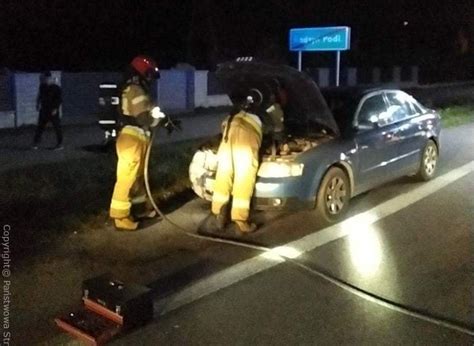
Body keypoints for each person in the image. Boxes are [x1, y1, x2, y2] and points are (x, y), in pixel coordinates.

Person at [109, 55, 168, 231]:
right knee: (127, 178)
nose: (150, 78)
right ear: (142, 72)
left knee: (138, 177)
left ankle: (140, 208)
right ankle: (120, 217)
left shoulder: (136, 89)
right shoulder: (135, 89)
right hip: (132, 138)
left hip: (137, 138)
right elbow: (143, 118)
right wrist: (159, 121)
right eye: (149, 74)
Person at [209, 88, 264, 234]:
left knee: (223, 175)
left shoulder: (236, 110)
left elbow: (223, 126)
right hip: (246, 142)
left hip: (228, 136)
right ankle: (240, 220)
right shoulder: (266, 111)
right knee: (244, 178)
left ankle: (219, 213)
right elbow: (277, 131)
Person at [32, 72, 63, 150]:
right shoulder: (42, 86)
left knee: (57, 127)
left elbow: (59, 99)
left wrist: (55, 109)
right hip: (44, 110)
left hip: (52, 110)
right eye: (42, 79)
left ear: (49, 78)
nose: (43, 80)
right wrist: (37, 103)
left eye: (45, 79)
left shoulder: (56, 88)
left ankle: (60, 144)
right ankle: (35, 143)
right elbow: (40, 95)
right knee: (40, 127)